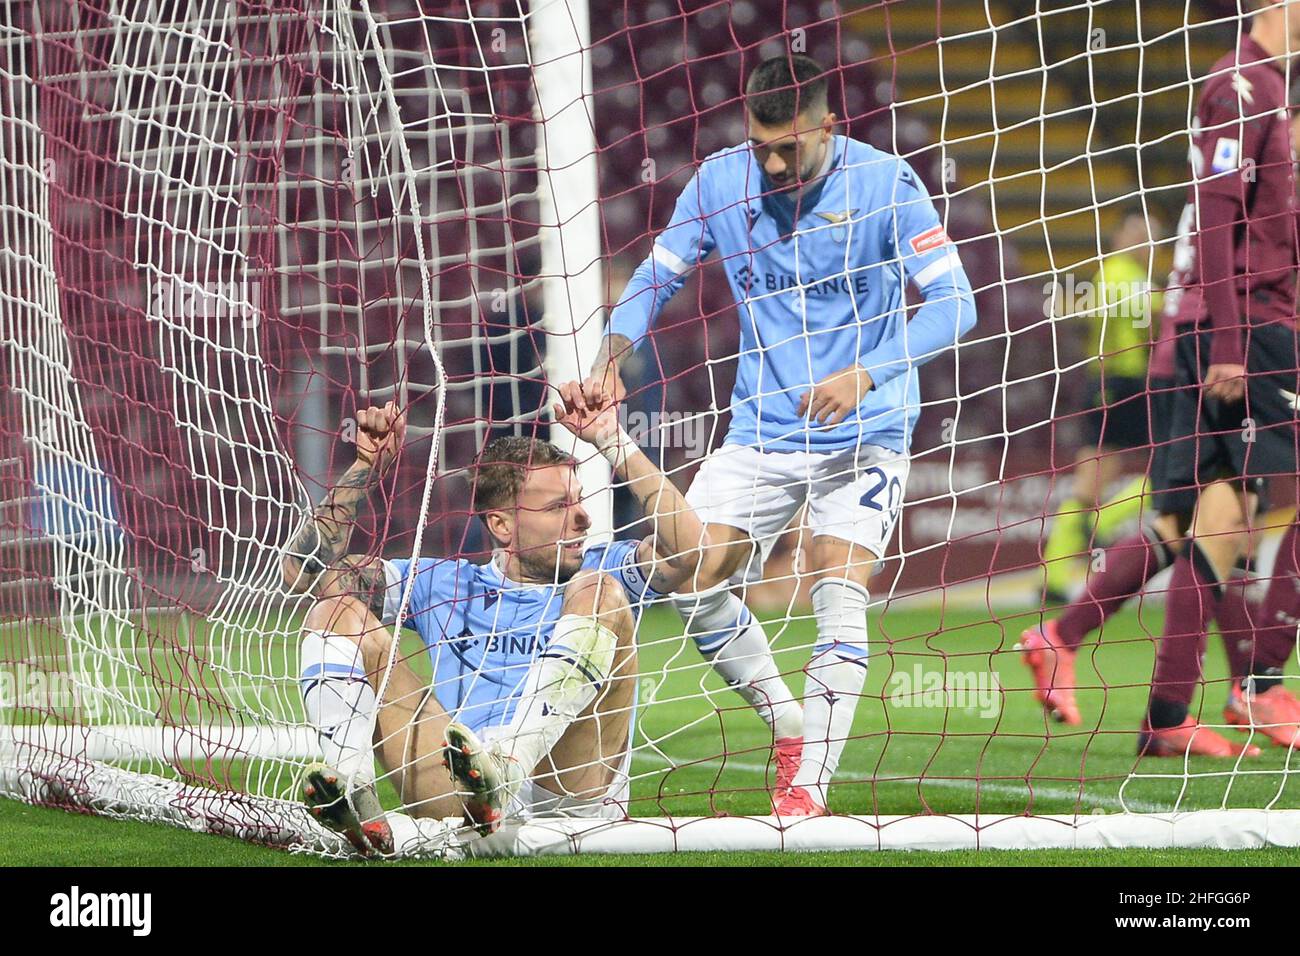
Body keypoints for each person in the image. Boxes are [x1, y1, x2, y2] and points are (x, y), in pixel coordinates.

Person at [589, 53, 976, 814]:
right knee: (692, 574)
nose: (770, 162)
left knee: (838, 581)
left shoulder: (886, 184)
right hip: (761, 427)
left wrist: (867, 371)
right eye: (759, 144)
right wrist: (612, 355)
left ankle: (808, 789)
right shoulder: (719, 182)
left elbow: (955, 303)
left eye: (787, 148)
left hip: (866, 428)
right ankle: (787, 721)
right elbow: (655, 277)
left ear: (829, 126)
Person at [1024, 0, 1300, 754]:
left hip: (1200, 345)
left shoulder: (1255, 108)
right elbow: (1220, 235)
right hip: (1222, 346)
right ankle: (1261, 686)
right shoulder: (1245, 95)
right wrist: (1230, 344)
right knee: (1219, 519)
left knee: (1199, 521)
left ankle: (1152, 696)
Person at [281, 387, 708, 852]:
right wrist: (364, 466)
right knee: (334, 610)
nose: (584, 517)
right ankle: (352, 787)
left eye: (578, 500)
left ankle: (508, 761)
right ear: (502, 525)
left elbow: (695, 553)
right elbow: (305, 571)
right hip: (460, 791)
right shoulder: (441, 582)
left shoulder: (606, 570)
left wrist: (613, 439)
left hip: (565, 789)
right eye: (558, 507)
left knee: (595, 586)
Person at [1039, 207, 1162, 606]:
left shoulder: (1122, 275)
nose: (1147, 242)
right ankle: (1104, 524)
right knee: (1171, 464)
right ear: (1120, 237)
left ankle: (1056, 574)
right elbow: (1142, 319)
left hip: (1106, 382)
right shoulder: (1120, 274)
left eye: (1153, 235)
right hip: (1123, 382)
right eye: (1140, 232)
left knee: (1089, 482)